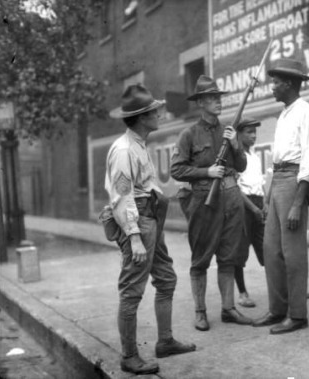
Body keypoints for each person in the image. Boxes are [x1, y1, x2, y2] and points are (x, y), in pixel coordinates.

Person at [102, 84, 195, 375]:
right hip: (138, 223)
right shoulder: (123, 149)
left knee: (166, 278)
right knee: (131, 291)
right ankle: (129, 357)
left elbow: (143, 186)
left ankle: (165, 341)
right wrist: (134, 237)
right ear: (142, 117)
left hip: (150, 219)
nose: (159, 114)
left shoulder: (138, 144)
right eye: (155, 111)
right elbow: (121, 196)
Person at [170, 75, 252, 332]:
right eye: (212, 98)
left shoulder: (228, 130)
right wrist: (206, 172)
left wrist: (236, 145)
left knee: (229, 256)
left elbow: (241, 166)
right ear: (200, 103)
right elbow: (177, 170)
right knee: (201, 258)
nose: (218, 102)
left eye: (218, 97)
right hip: (204, 201)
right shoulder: (189, 135)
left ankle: (228, 309)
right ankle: (200, 311)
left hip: (230, 197)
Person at [253, 58, 309, 334]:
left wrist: (298, 202)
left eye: (277, 82)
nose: (273, 87)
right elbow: (276, 161)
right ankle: (277, 309)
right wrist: (268, 195)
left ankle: (297, 315)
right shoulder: (284, 114)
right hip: (278, 180)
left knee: (293, 253)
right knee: (271, 250)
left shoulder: (307, 112)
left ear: (290, 84)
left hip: (294, 182)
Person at [235, 118, 266, 308]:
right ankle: (242, 293)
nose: (253, 135)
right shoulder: (237, 157)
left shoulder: (254, 156)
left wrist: (264, 205)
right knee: (240, 250)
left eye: (255, 132)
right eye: (249, 132)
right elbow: (236, 188)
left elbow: (260, 184)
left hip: (258, 203)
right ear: (239, 134)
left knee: (267, 248)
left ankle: (283, 289)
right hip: (244, 206)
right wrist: (253, 208)